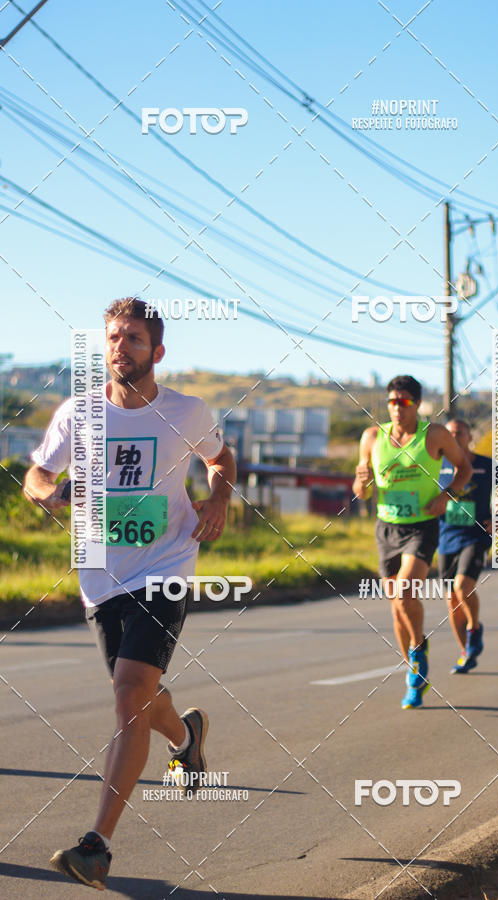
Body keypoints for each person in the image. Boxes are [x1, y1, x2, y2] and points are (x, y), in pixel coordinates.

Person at [24, 297, 236, 890]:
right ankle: (186, 736)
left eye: (135, 339)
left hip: (165, 567)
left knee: (128, 694)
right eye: (114, 337)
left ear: (157, 352)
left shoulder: (186, 413)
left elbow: (222, 460)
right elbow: (37, 472)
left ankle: (98, 847)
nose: (122, 347)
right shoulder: (79, 414)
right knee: (140, 696)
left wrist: (218, 499)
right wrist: (45, 491)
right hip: (100, 575)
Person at [353, 376, 472, 709]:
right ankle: (413, 672)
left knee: (405, 591)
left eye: (403, 401)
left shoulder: (433, 435)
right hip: (387, 528)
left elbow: (464, 468)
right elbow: (360, 489)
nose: (396, 407)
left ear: (416, 404)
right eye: (391, 401)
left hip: (421, 526)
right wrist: (361, 484)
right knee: (396, 604)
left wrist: (447, 496)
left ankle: (419, 649)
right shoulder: (372, 437)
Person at [438, 420, 492, 673]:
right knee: (452, 600)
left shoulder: (486, 465)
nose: (454, 436)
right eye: (449, 433)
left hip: (476, 535)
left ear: (470, 436)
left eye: (459, 433)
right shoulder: (437, 465)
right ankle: (466, 652)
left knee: (463, 586)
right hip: (446, 535)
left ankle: (475, 629)